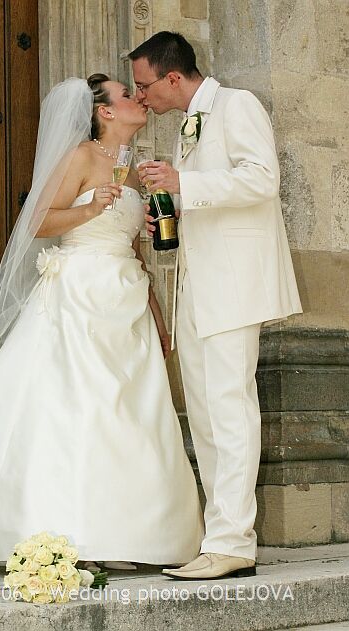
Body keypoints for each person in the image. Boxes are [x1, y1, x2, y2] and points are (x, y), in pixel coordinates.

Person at [0, 75, 203, 570]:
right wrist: (90, 208)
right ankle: (69, 531)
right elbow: (37, 222)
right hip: (78, 295)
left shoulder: (134, 169)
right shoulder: (81, 157)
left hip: (126, 299)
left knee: (130, 414)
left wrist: (159, 318)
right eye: (125, 94)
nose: (137, 98)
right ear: (105, 112)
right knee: (81, 408)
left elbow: (135, 250)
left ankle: (131, 535)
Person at [129, 32, 303, 579]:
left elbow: (263, 179)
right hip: (196, 285)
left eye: (144, 85)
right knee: (204, 412)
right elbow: (209, 196)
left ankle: (234, 542)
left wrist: (185, 181)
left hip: (234, 284)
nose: (141, 96)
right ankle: (218, 536)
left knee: (229, 407)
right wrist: (172, 208)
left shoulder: (237, 104)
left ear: (172, 77)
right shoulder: (188, 124)